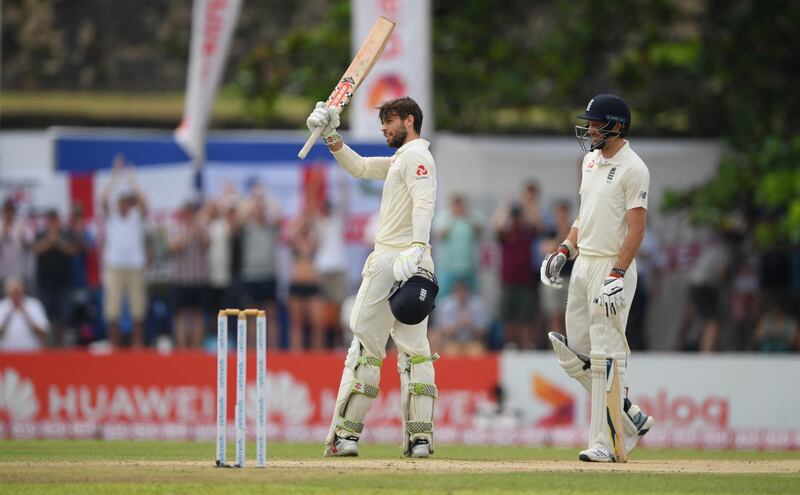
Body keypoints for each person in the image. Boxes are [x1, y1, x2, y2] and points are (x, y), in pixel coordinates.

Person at [307, 97, 438, 458]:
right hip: (416, 262)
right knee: (416, 354)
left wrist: (416, 245)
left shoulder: (416, 157)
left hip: (396, 259)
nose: (383, 128)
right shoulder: (403, 158)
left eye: (389, 121)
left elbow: (425, 203)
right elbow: (362, 167)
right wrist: (331, 136)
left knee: (366, 348)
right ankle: (419, 441)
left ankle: (345, 437)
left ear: (409, 121)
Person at [540, 94, 654, 462]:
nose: (589, 129)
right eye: (588, 123)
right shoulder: (589, 160)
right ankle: (628, 417)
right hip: (584, 263)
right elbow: (583, 216)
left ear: (616, 127)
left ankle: (607, 443)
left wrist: (618, 272)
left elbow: (636, 231)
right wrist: (564, 250)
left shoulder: (634, 168)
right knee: (576, 355)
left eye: (595, 123)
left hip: (611, 265)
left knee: (606, 354)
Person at [100, 155, 148, 348]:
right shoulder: (111, 216)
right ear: (118, 203)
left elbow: (144, 200)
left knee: (138, 309)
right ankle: (115, 346)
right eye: (122, 202)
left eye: (128, 202)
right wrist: (114, 175)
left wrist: (131, 180)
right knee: (113, 309)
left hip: (135, 266)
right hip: (115, 266)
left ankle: (137, 346)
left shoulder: (136, 216)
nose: (125, 205)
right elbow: (103, 197)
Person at [33, 209, 76, 346]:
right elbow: (36, 250)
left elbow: (72, 251)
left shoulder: (66, 234)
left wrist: (57, 241)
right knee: (45, 316)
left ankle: (60, 344)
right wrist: (49, 240)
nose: (53, 223)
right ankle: (47, 344)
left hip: (63, 283)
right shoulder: (40, 234)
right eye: (50, 220)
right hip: (44, 283)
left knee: (63, 317)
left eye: (55, 220)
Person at [432, 194, 482, 297]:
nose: (459, 207)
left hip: (468, 267)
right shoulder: (444, 216)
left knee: (472, 297)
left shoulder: (471, 216)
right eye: (456, 204)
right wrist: (453, 218)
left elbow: (480, 231)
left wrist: (467, 217)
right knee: (443, 297)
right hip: (448, 267)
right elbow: (440, 235)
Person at [0, 277, 49, 351]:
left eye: (18, 292)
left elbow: (43, 333)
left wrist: (26, 314)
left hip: (31, 354)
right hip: (6, 355)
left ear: (23, 290)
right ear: (7, 292)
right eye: (13, 292)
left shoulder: (34, 305)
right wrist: (8, 316)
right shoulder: (2, 306)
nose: (16, 295)